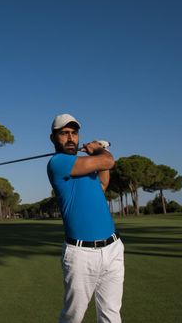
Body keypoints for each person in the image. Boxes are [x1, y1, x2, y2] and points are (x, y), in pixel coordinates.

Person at [47, 113, 124, 323]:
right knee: (73, 317)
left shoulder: (85, 165)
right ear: (53, 138)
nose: (71, 138)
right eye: (64, 133)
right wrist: (100, 149)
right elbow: (108, 160)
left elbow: (101, 185)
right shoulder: (58, 162)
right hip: (81, 254)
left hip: (113, 248)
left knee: (111, 314)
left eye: (74, 133)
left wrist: (99, 153)